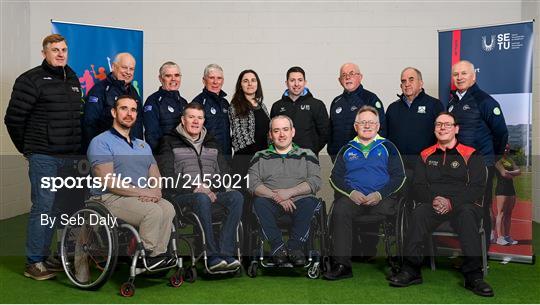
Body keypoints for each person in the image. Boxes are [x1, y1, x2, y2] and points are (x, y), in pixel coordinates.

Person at [388, 112, 494, 297]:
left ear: (456, 129)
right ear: (434, 129)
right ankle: (411, 270)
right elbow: (418, 185)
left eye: (447, 124)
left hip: (464, 204)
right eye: (438, 125)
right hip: (434, 203)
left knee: (468, 214)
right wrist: (434, 200)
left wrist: (452, 203)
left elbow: (478, 187)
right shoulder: (425, 154)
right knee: (419, 212)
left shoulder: (471, 154)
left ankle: (474, 276)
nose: (442, 128)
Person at [4, 34, 82, 280]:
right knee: (44, 207)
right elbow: (13, 119)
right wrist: (28, 149)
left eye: (64, 50)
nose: (60, 54)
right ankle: (34, 262)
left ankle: (55, 256)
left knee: (65, 208)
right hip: (44, 156)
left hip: (70, 157)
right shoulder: (30, 80)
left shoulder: (72, 77)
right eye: (55, 50)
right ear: (44, 53)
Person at [87, 95, 176, 269]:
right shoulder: (100, 142)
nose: (129, 113)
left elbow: (155, 173)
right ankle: (145, 255)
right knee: (152, 212)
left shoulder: (142, 145)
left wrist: (156, 192)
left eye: (133, 110)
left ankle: (158, 255)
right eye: (124, 108)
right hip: (109, 198)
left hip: (138, 197)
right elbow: (109, 181)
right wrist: (145, 193)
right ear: (114, 112)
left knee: (168, 208)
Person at [156, 103, 243, 271]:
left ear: (204, 121)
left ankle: (225, 253)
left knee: (236, 197)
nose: (196, 121)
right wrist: (196, 187)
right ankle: (211, 255)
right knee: (201, 197)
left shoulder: (212, 142)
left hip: (210, 194)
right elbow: (167, 176)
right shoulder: (169, 141)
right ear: (183, 120)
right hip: (183, 197)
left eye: (200, 118)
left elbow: (225, 173)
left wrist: (210, 188)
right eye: (191, 117)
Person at [324, 106, 406, 280]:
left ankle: (396, 263)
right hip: (354, 199)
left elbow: (400, 177)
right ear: (356, 126)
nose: (367, 126)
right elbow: (334, 178)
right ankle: (342, 265)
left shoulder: (388, 147)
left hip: (381, 199)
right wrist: (351, 193)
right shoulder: (347, 148)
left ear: (377, 126)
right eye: (363, 122)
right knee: (340, 209)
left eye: (371, 122)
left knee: (389, 209)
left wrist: (380, 194)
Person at [448, 60, 508, 247]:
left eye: (464, 73)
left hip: (480, 165)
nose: (459, 77)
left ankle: (481, 256)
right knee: (461, 207)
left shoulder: (485, 101)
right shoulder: (452, 102)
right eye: (456, 74)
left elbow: (501, 133)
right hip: (457, 165)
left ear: (473, 76)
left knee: (480, 208)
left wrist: (491, 158)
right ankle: (466, 252)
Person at [248, 115, 322, 266]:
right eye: (276, 130)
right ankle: (278, 249)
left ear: (292, 132)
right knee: (258, 203)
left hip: (301, 202)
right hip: (270, 202)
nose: (281, 134)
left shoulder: (307, 154)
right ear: (270, 134)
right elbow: (252, 184)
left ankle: (294, 248)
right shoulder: (260, 156)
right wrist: (277, 196)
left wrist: (289, 193)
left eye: (285, 129)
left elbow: (315, 181)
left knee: (311, 202)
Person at [386, 67, 444, 172]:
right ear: (400, 86)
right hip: (398, 167)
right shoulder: (392, 108)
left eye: (411, 79)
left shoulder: (435, 105)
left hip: (426, 166)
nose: (407, 84)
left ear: (421, 83)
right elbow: (386, 137)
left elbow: (442, 135)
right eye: (404, 81)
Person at [82, 52, 143, 152]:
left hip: (131, 151)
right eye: (124, 67)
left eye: (131, 69)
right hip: (106, 150)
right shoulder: (99, 90)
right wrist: (95, 151)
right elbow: (89, 123)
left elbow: (138, 124)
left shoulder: (134, 92)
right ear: (114, 67)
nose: (128, 72)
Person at [327, 63, 385, 160]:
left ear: (360, 77)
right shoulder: (336, 102)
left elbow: (382, 129)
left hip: (365, 160)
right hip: (339, 160)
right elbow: (331, 131)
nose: (347, 77)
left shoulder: (370, 99)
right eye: (344, 75)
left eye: (352, 73)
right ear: (339, 80)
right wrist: (332, 151)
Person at [270, 66, 329, 156]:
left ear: (305, 82)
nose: (296, 84)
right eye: (292, 80)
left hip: (308, 157)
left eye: (300, 80)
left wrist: (312, 150)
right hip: (282, 157)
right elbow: (273, 132)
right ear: (286, 83)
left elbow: (325, 133)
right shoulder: (277, 106)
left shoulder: (317, 104)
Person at [229, 69, 270, 179]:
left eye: (253, 80)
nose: (250, 84)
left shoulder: (262, 105)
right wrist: (258, 156)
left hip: (264, 160)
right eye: (245, 81)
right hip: (244, 160)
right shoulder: (235, 106)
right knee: (245, 194)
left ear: (257, 84)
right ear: (240, 85)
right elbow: (239, 135)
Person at [143, 61, 188, 152]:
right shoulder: (152, 101)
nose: (173, 79)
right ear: (160, 78)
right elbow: (151, 136)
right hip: (164, 157)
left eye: (176, 75)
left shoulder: (184, 102)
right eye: (168, 76)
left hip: (183, 155)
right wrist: (163, 157)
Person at [191, 64, 232, 157]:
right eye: (211, 78)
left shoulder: (225, 103)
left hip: (226, 155)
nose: (215, 82)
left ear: (223, 81)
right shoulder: (198, 102)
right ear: (204, 80)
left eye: (219, 78)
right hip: (206, 157)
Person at [493, 144, 521, 246]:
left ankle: (507, 236)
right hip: (502, 189)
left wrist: (510, 172)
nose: (506, 150)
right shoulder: (497, 160)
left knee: (509, 214)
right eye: (505, 148)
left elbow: (519, 171)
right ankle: (499, 237)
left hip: (511, 189)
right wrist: (513, 173)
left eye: (508, 148)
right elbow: (503, 174)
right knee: (501, 213)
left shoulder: (509, 160)